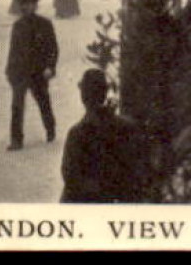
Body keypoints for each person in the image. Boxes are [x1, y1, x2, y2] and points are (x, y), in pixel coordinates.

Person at [60, 69, 151, 203]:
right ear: (104, 92)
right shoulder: (127, 127)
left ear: (83, 97)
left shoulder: (78, 133)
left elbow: (70, 176)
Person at [5, 0, 58, 150]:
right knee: (17, 105)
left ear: (35, 5)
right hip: (20, 71)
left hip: (39, 72)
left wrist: (50, 67)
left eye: (29, 4)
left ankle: (50, 129)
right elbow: (13, 50)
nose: (26, 7)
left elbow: (53, 49)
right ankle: (16, 139)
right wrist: (10, 70)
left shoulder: (45, 24)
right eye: (23, 4)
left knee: (43, 101)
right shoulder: (18, 26)